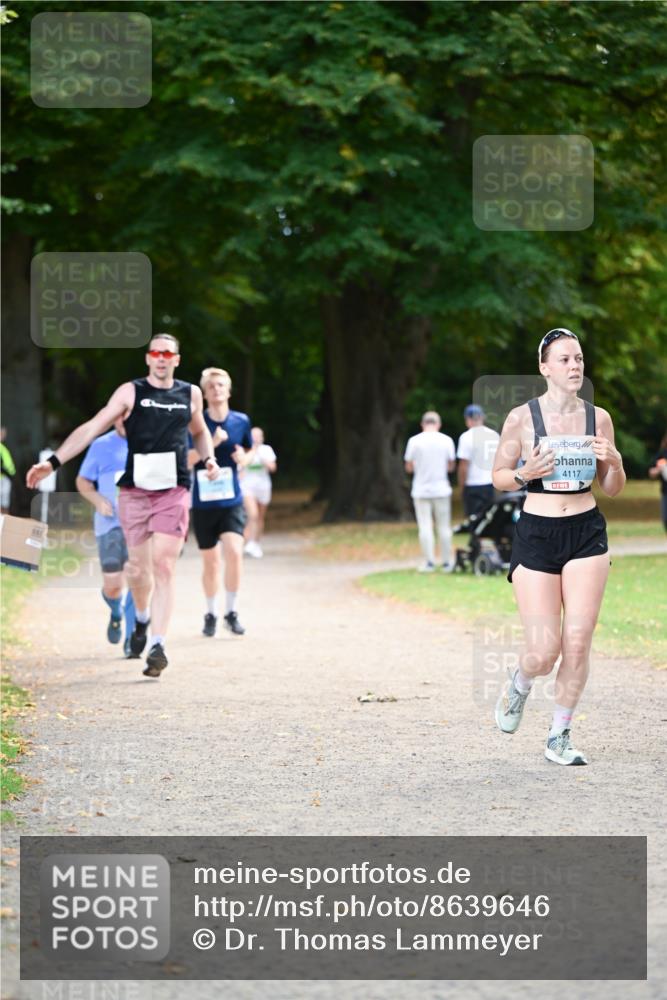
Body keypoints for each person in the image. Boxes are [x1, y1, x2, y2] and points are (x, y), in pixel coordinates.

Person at [26, 334, 220, 679]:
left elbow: (200, 431)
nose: (161, 358)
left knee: (164, 565)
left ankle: (158, 644)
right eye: (155, 352)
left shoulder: (189, 393)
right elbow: (92, 427)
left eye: (168, 353)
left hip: (173, 489)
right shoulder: (130, 392)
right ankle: (141, 619)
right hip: (134, 493)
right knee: (139, 570)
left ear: (177, 359)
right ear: (148, 358)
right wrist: (53, 463)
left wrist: (209, 459)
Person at [491, 327, 625, 766]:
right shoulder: (522, 418)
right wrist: (526, 471)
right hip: (537, 533)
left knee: (579, 640)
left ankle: (559, 736)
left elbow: (613, 488)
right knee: (544, 651)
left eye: (579, 359)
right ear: (544, 368)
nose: (574, 366)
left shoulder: (598, 418)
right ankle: (520, 683)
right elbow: (499, 477)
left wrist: (615, 461)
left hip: (586, 531)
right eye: (565, 360)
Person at [188, 368, 252, 638]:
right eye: (211, 386)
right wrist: (211, 443)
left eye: (221, 385)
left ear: (229, 389)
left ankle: (232, 612)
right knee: (211, 562)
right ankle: (211, 612)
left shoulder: (240, 421)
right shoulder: (195, 422)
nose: (216, 390)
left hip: (231, 499)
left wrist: (244, 460)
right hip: (203, 502)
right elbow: (186, 460)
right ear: (204, 392)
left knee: (235, 552)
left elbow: (248, 450)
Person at [76, 418, 136, 658]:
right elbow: (83, 481)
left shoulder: (149, 442)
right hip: (109, 526)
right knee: (113, 586)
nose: (125, 420)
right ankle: (116, 613)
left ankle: (133, 637)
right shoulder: (101, 445)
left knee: (138, 578)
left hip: (139, 526)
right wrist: (98, 500)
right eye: (121, 415)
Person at [404, 411, 456, 572]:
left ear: (422, 424)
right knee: (444, 526)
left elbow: (409, 467)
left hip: (421, 489)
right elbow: (451, 466)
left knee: (425, 526)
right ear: (438, 424)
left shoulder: (414, 441)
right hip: (441, 488)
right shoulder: (446, 440)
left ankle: (429, 562)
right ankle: (447, 562)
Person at [456, 405, 500, 518]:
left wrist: (461, 486)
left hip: (473, 484)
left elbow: (463, 466)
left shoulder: (465, 437)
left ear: (468, 420)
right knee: (489, 519)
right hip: (491, 483)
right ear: (482, 418)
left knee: (474, 519)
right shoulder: (494, 435)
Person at [242, 426, 277, 558]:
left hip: (263, 486)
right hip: (247, 487)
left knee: (260, 517)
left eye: (258, 436)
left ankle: (255, 543)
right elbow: (240, 467)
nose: (256, 439)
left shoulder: (266, 450)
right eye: (253, 436)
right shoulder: (244, 449)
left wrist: (264, 459)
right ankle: (248, 543)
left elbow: (273, 468)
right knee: (253, 515)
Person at [648, 430, 667, 532]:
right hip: (665, 492)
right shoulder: (662, 454)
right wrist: (660, 469)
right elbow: (651, 472)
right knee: (665, 518)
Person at [0, 427, 16, 514]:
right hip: (4, 478)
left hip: (6, 478)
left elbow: (10, 467)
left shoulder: (4, 449)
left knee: (5, 503)